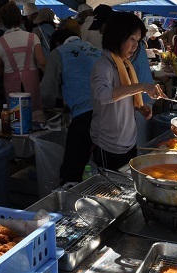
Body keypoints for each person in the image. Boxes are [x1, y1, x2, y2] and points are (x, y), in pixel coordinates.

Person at [90, 12, 165, 171]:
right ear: (117, 36)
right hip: (108, 145)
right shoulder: (104, 66)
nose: (136, 45)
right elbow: (103, 95)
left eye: (138, 41)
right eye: (132, 39)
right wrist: (142, 87)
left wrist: (138, 106)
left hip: (128, 142)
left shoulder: (125, 65)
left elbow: (122, 97)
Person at [40, 31, 102, 183]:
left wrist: (47, 108)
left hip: (84, 117)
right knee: (104, 169)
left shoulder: (59, 53)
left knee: (71, 172)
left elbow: (47, 90)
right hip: (110, 113)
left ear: (58, 43)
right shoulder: (97, 51)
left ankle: (69, 202)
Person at [0, 1, 46, 111]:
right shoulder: (33, 37)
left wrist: (6, 67)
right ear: (20, 18)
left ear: (3, 20)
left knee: (15, 117)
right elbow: (42, 62)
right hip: (32, 82)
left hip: (11, 84)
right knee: (34, 116)